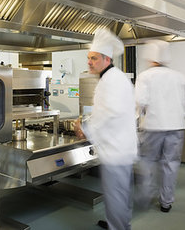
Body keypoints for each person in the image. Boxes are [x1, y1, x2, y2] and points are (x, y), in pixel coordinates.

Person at [74, 28, 137, 230]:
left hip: (116, 151)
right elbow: (105, 111)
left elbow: (108, 114)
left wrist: (85, 129)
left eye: (93, 58)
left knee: (116, 194)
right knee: (120, 193)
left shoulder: (112, 80)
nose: (89, 62)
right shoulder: (113, 77)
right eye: (88, 58)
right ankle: (118, 223)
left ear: (106, 59)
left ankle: (118, 227)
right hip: (121, 148)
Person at [135, 40, 185, 213]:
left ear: (150, 58)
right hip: (176, 127)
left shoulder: (145, 76)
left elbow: (140, 101)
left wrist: (138, 116)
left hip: (153, 127)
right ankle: (166, 202)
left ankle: (146, 197)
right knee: (171, 164)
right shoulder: (179, 76)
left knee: (148, 161)